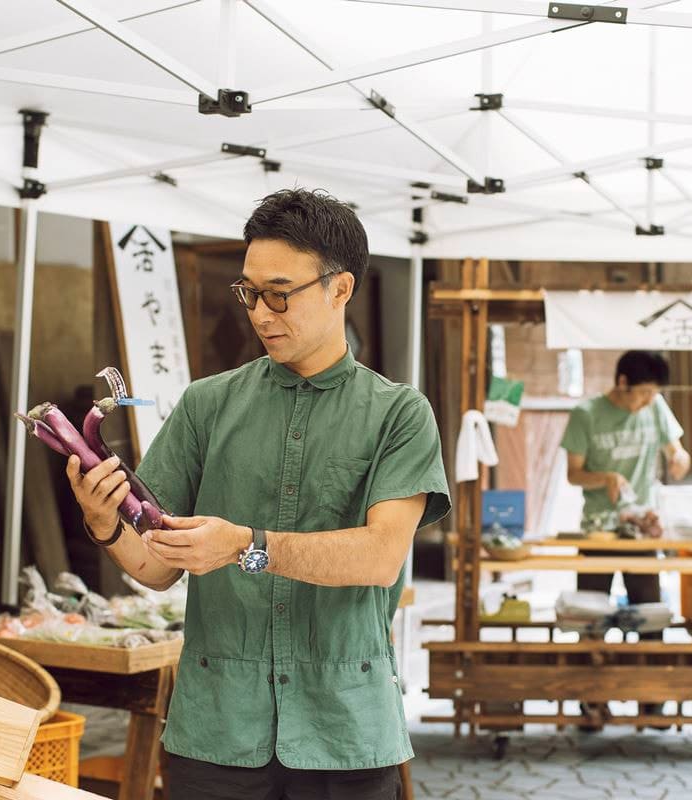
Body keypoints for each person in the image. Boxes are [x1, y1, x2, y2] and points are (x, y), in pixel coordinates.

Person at [66, 188, 450, 800]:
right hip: (218, 728)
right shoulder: (205, 405)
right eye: (249, 293)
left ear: (340, 289)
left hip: (343, 730)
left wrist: (247, 546)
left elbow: (380, 558)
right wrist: (103, 521)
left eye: (279, 293)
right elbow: (157, 566)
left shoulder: (398, 414)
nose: (260, 313)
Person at [560, 350, 691, 725]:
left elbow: (676, 451)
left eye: (653, 393)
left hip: (643, 529)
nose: (648, 400)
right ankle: (592, 700)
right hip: (598, 529)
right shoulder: (586, 415)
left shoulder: (656, 407)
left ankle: (650, 699)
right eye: (644, 392)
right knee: (591, 614)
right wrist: (605, 478)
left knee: (648, 613)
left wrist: (680, 458)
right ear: (622, 383)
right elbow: (574, 473)